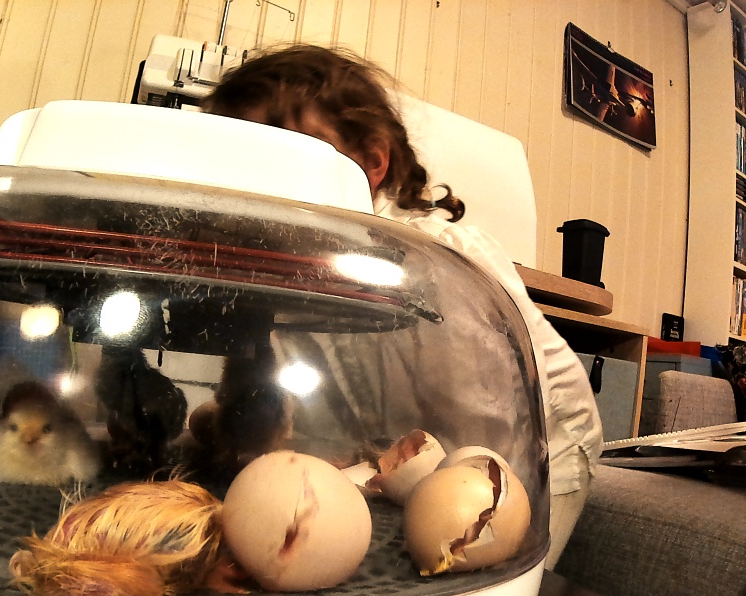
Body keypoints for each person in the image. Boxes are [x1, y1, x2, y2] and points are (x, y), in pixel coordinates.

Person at [201, 44, 603, 567]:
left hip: (542, 449)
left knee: (489, 554)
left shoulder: (438, 260)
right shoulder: (301, 268)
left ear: (372, 162)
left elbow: (490, 427)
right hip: (411, 444)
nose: (266, 188)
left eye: (292, 155)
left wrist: (461, 505)